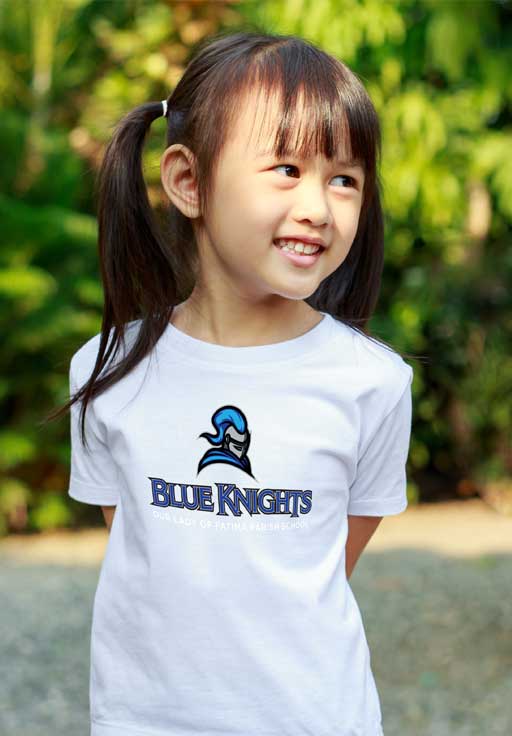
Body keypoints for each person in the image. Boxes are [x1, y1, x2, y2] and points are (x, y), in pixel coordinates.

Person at [64, 29, 415, 736]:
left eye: (343, 177)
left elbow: (320, 566)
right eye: (286, 168)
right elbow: (149, 561)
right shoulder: (106, 372)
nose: (318, 206)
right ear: (188, 182)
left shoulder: (373, 382)